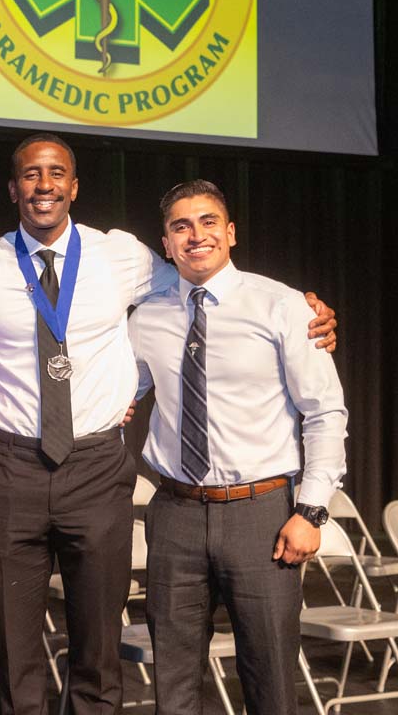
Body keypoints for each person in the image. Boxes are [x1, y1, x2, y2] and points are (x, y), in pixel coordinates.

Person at [0, 134, 337, 714]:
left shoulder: (129, 258)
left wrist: (315, 316)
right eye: (31, 175)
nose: (45, 184)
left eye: (58, 174)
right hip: (28, 472)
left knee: (109, 652)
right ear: (13, 188)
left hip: (122, 475)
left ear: (75, 187)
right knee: (33, 654)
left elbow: (321, 406)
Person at [129, 179, 347, 714]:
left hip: (263, 514)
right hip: (175, 512)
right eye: (181, 226)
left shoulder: (284, 305)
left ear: (230, 233)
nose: (195, 235)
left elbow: (325, 412)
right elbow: (116, 397)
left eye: (207, 222)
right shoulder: (146, 317)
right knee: (173, 687)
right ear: (166, 243)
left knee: (269, 681)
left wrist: (312, 512)